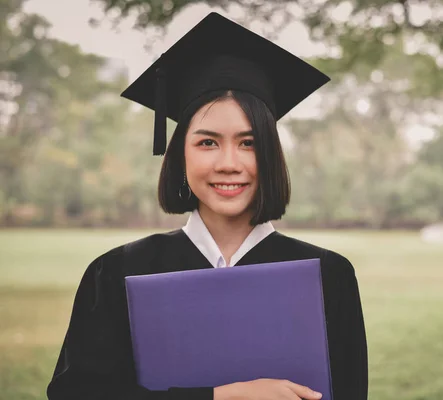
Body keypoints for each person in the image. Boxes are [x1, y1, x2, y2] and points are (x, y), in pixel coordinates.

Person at [47, 12, 368, 400]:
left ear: (271, 155)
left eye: (248, 143)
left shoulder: (327, 276)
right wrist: (220, 396)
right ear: (180, 154)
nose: (229, 163)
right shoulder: (116, 272)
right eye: (207, 142)